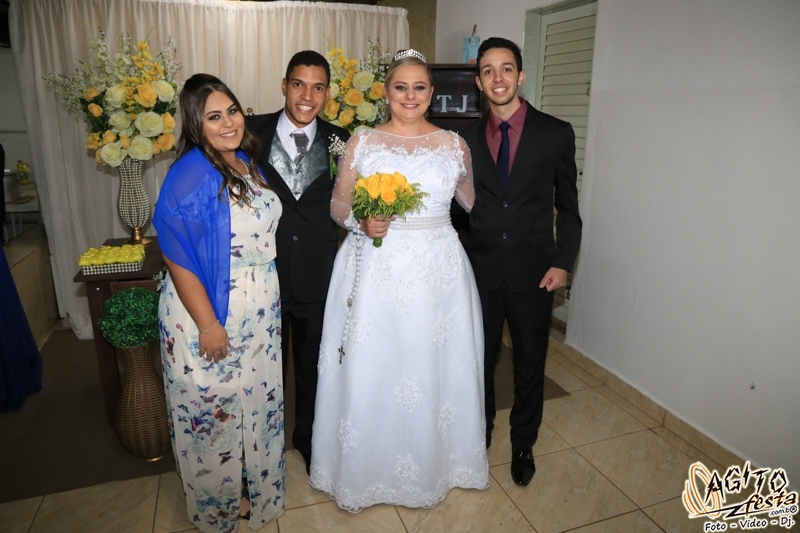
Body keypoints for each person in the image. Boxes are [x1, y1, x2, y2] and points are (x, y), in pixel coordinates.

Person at [309, 49, 489, 512]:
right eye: (400, 87)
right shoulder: (362, 141)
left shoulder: (454, 144)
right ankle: (365, 469)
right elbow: (338, 203)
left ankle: (440, 464)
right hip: (376, 266)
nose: (410, 96)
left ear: (432, 92)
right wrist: (360, 222)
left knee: (433, 363)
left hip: (438, 271)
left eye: (419, 87)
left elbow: (475, 202)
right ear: (386, 93)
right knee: (375, 364)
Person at [153, 73, 285, 532]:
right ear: (195, 123)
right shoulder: (190, 172)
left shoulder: (243, 160)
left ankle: (252, 491)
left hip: (257, 312)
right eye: (214, 116)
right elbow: (178, 254)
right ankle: (218, 510)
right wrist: (209, 325)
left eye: (232, 111)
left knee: (254, 406)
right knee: (213, 413)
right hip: (209, 310)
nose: (229, 122)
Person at [461, 37, 582, 486]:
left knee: (530, 363)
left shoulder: (556, 133)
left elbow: (568, 207)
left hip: (536, 272)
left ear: (521, 75)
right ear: (479, 82)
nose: (498, 78)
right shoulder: (464, 140)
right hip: (481, 271)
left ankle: (523, 442)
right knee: (479, 359)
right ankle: (480, 432)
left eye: (506, 68)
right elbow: (455, 206)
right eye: (488, 71)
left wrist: (563, 262)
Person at [245, 51, 350, 474]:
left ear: (327, 93)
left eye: (318, 87)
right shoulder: (250, 132)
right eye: (299, 84)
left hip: (316, 273)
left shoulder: (341, 139)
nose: (308, 96)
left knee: (312, 366)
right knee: (263, 370)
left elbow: (348, 202)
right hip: (263, 272)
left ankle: (307, 440)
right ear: (284, 85)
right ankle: (262, 450)